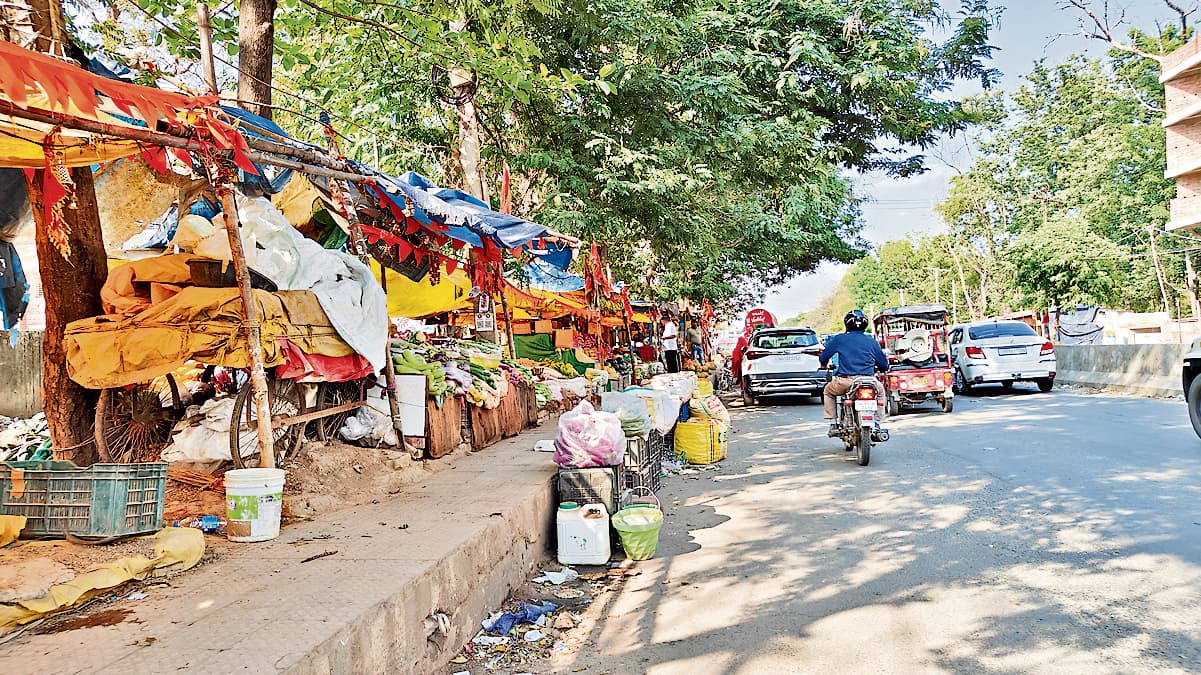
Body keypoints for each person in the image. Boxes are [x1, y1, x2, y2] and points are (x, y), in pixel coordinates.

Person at [819, 309, 889, 437]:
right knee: (880, 393)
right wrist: (880, 369)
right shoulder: (871, 341)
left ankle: (833, 423)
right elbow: (884, 365)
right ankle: (877, 422)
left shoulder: (839, 339)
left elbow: (823, 357)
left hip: (846, 381)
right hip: (869, 381)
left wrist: (824, 365)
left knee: (828, 392)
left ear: (846, 324)